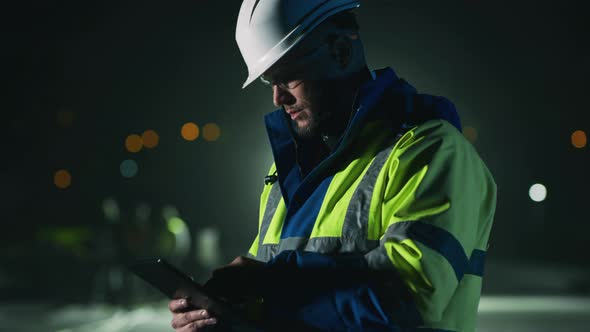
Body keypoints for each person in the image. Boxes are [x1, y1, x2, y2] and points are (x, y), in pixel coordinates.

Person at [169, 0, 497, 331]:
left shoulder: (430, 150)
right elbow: (267, 301)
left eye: (288, 78)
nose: (278, 98)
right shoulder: (287, 173)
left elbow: (410, 295)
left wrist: (272, 284)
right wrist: (220, 314)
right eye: (270, 82)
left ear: (341, 52)